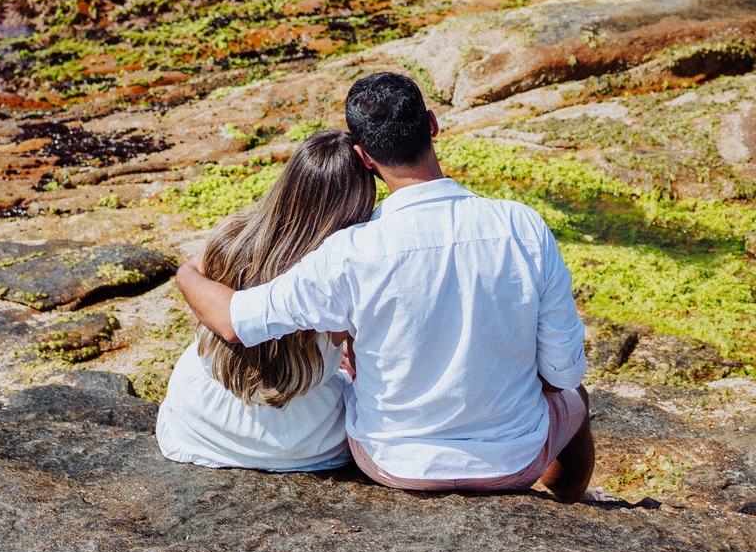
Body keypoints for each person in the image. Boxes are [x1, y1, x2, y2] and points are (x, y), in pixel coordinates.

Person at [175, 72, 595, 500]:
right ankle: (572, 501)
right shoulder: (523, 225)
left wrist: (186, 273)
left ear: (365, 157)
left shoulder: (350, 251)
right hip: (513, 463)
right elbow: (563, 370)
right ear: (432, 124)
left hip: (393, 462)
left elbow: (234, 321)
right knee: (574, 394)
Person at [157, 129, 376, 472]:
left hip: (205, 422)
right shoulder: (343, 266)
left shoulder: (232, 235)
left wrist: (184, 273)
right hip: (302, 438)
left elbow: (195, 275)